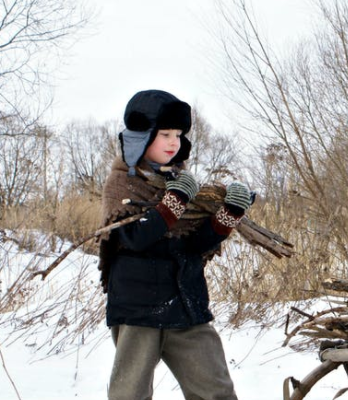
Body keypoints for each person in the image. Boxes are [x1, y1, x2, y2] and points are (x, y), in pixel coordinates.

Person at [98, 89, 252, 400]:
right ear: (140, 136)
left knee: (216, 392)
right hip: (137, 309)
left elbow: (193, 246)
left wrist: (227, 216)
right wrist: (175, 200)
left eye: (179, 134)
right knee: (129, 395)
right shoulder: (122, 185)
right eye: (165, 134)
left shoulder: (182, 182)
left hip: (186, 305)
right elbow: (136, 238)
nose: (174, 142)